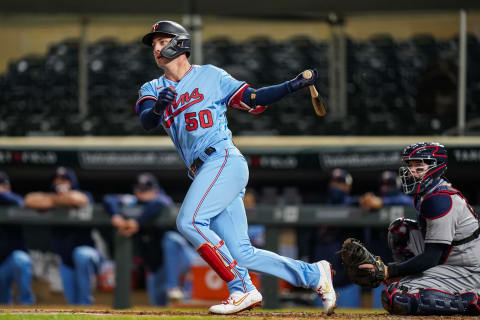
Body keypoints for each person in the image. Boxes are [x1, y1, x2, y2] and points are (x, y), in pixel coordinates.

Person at [135, 20, 336, 315]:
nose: (156, 47)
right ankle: (313, 274)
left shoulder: (211, 76)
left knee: (189, 222)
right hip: (203, 169)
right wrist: (157, 108)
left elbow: (253, 99)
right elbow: (146, 122)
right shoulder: (152, 87)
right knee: (242, 252)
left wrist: (291, 86)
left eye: (162, 41)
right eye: (153, 44)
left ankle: (242, 288)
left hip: (222, 159)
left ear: (179, 43)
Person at [358, 142, 480, 315]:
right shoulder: (428, 193)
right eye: (410, 165)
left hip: (468, 269)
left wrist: (389, 270)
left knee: (399, 297)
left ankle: (472, 299)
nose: (411, 171)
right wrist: (398, 273)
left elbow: (431, 258)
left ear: (435, 168)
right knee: (400, 230)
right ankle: (409, 281)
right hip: (449, 258)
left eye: (419, 166)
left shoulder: (440, 199)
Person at [103, 172, 196, 305]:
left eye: (147, 190)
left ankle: (173, 286)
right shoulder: (133, 202)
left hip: (182, 260)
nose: (143, 194)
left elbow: (160, 203)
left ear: (155, 190)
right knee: (158, 307)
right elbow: (109, 199)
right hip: (157, 266)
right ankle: (172, 288)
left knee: (171, 238)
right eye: (140, 190)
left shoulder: (162, 200)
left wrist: (137, 222)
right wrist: (115, 215)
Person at [24, 167, 102, 305]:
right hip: (66, 260)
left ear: (72, 182)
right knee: (72, 303)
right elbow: (29, 200)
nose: (59, 183)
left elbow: (77, 199)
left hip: (88, 255)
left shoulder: (84, 194)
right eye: (57, 180)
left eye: (64, 180)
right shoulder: (51, 197)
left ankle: (88, 303)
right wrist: (56, 198)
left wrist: (54, 200)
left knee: (81, 255)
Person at [358, 170, 414, 308]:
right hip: (381, 267)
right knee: (380, 308)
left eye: (389, 185)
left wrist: (382, 202)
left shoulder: (405, 201)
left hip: (404, 268)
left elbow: (407, 202)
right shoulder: (372, 204)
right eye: (383, 185)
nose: (385, 188)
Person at [0, 171, 35, 305]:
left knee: (21, 260)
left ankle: (27, 305)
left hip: (9, 260)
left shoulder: (12, 199)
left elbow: (19, 202)